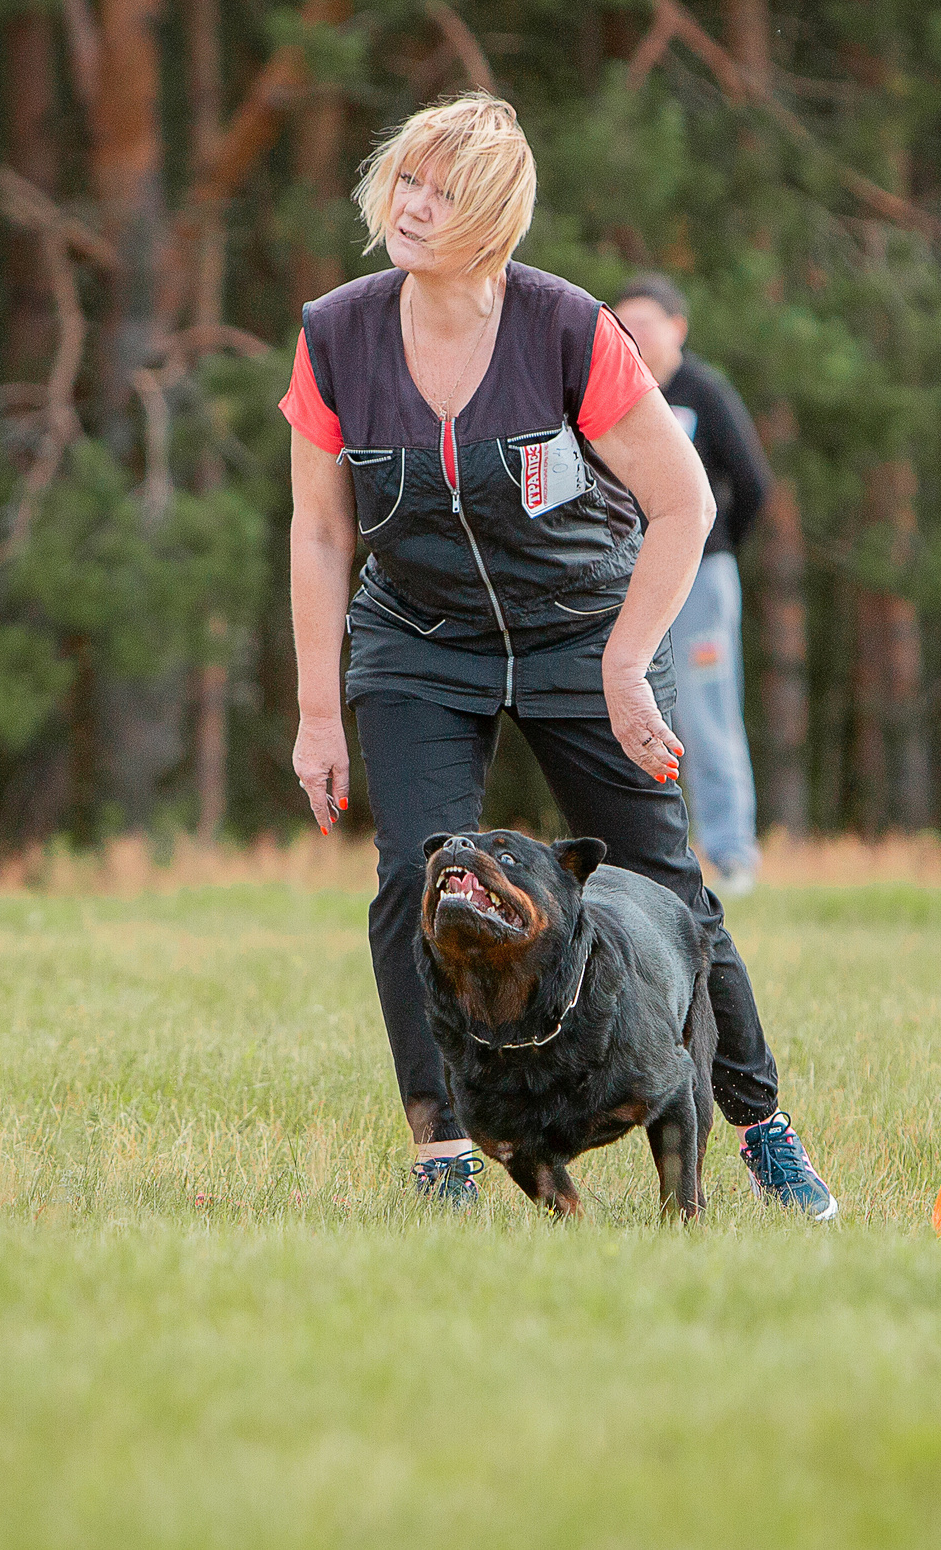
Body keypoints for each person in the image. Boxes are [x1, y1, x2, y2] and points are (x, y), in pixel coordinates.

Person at [281, 94, 835, 1218]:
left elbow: (681, 506)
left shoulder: (570, 328)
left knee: (670, 890)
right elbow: (322, 528)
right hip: (418, 638)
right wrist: (317, 711)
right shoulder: (335, 331)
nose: (413, 206)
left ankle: (760, 1126)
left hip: (583, 630)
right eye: (406, 181)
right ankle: (443, 1152)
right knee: (408, 880)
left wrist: (628, 663)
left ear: (494, 218)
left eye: (443, 192)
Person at [611, 275, 772, 894]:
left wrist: (719, 547)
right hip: (634, 576)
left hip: (703, 579)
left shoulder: (703, 390)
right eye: (622, 323)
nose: (633, 334)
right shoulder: (619, 394)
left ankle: (731, 855)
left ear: (678, 327)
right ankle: (652, 859)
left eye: (645, 322)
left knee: (708, 712)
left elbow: (753, 481)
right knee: (644, 709)